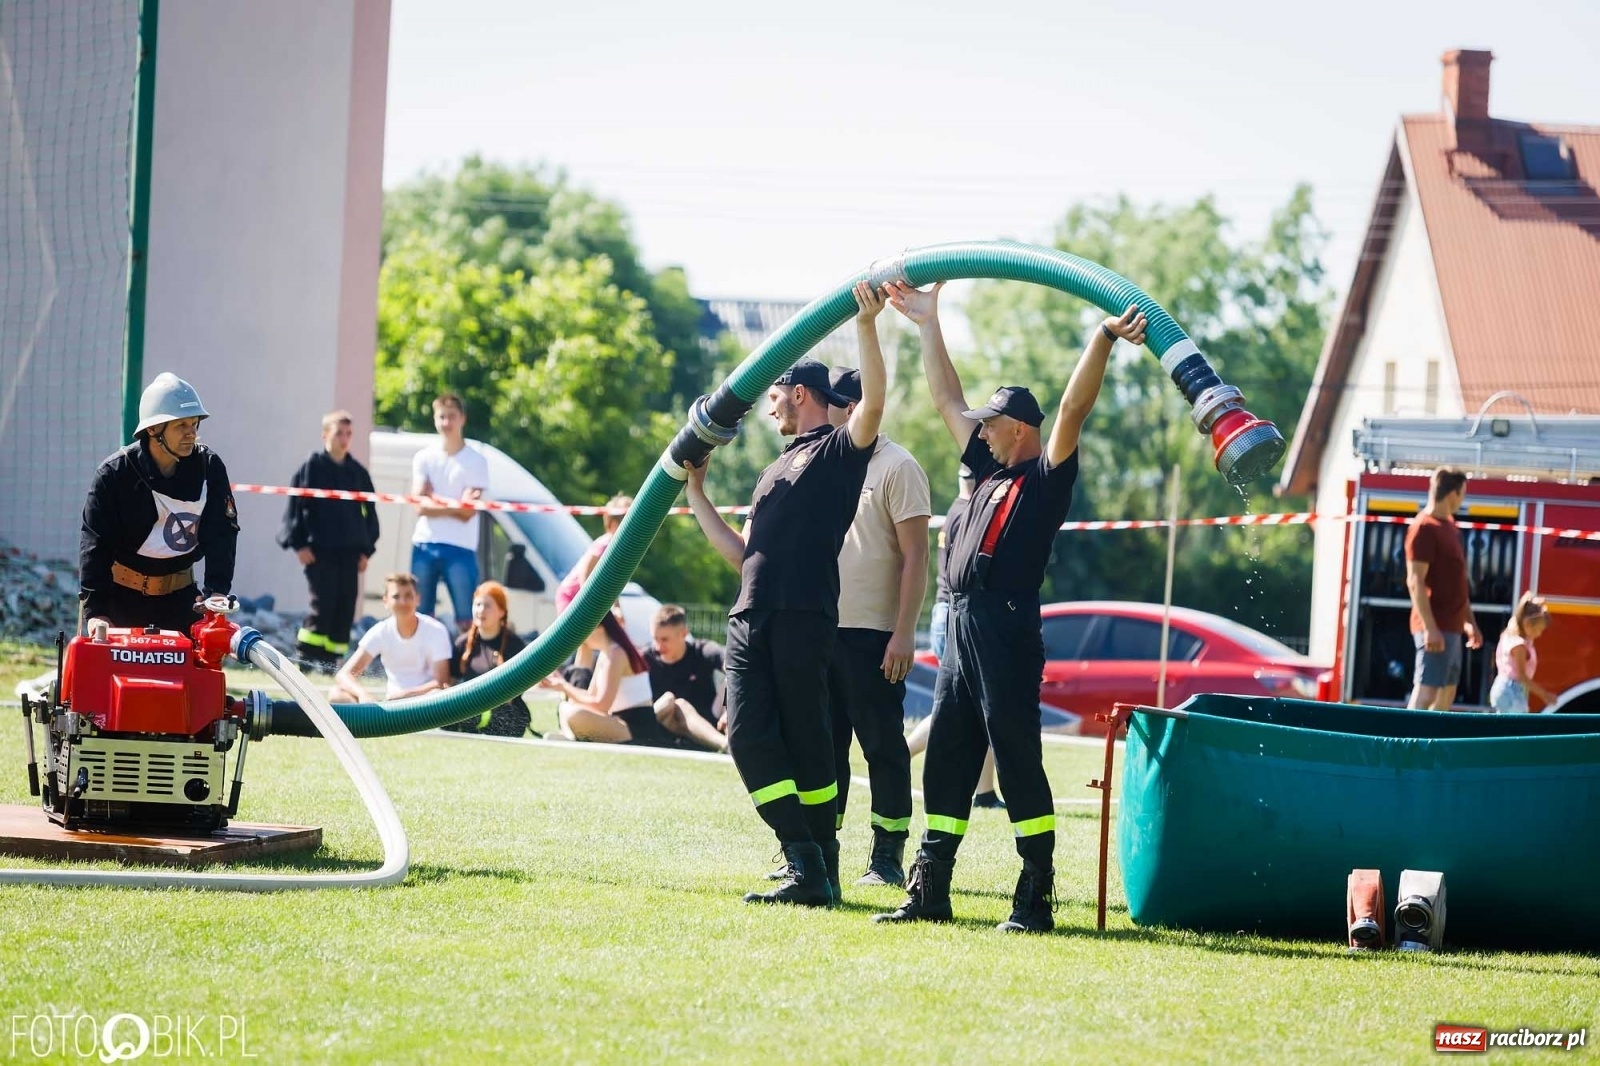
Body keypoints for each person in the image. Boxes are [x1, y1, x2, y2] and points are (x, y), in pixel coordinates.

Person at [874, 281, 1146, 934]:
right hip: (962, 625)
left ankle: (1035, 894)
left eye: (990, 426)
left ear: (1018, 428)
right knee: (947, 756)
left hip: (1006, 626)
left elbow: (1074, 408)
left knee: (1016, 755)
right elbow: (945, 396)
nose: (979, 434)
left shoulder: (1043, 478)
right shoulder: (987, 471)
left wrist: (1102, 338)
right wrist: (928, 323)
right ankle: (930, 889)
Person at [681, 281, 886, 908]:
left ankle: (817, 866)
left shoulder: (837, 450)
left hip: (804, 616)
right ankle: (806, 857)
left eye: (774, 397)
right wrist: (696, 495)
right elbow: (746, 558)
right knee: (745, 735)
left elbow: (874, 402)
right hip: (750, 616)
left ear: (800, 394)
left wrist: (869, 325)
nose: (769, 410)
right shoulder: (773, 471)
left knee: (808, 742)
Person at [823, 363, 930, 888]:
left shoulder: (899, 466)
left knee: (883, 747)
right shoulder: (824, 460)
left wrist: (904, 631)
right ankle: (822, 851)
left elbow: (916, 557)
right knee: (824, 749)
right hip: (821, 630)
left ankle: (886, 856)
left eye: (831, 405)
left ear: (852, 408)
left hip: (874, 636)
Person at [79, 373, 240, 635]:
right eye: (181, 426)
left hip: (183, 602)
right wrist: (96, 612)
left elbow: (222, 534)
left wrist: (216, 593)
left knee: (196, 675)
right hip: (119, 604)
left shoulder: (210, 467)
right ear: (153, 429)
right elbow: (94, 546)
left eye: (194, 424)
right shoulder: (113, 475)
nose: (192, 434)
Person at [908, 465, 1003, 809]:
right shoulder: (969, 514)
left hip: (945, 612)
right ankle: (903, 756)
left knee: (973, 703)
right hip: (954, 613)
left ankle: (984, 791)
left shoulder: (956, 510)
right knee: (968, 702)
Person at [278, 410, 380, 670]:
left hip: (350, 553)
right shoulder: (312, 467)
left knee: (345, 608)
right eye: (339, 433)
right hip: (319, 552)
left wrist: (367, 550)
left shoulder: (357, 473)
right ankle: (306, 661)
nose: (344, 439)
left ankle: (330, 663)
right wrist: (299, 544)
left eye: (348, 434)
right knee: (323, 606)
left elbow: (370, 512)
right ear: (326, 434)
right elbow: (295, 507)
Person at [539, 610, 726, 751]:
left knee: (574, 714)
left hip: (635, 728)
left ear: (599, 627)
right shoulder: (607, 653)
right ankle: (572, 736)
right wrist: (561, 687)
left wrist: (564, 686)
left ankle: (574, 737)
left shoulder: (617, 653)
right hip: (621, 721)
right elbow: (591, 696)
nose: (581, 637)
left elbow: (602, 705)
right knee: (566, 708)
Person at [1404, 467, 1483, 711]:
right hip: (1435, 628)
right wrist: (1430, 629)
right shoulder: (1424, 528)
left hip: (1453, 627)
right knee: (1426, 693)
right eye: (1462, 494)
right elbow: (1415, 581)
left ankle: (1431, 748)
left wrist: (1470, 622)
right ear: (1452, 494)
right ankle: (1402, 746)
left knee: (1446, 693)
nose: (1462, 500)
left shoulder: (1450, 527)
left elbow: (1458, 582)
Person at [410, 394, 489, 632]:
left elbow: (469, 513)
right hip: (425, 543)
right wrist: (455, 504)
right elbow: (419, 505)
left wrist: (434, 500)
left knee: (467, 617)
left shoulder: (476, 460)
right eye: (441, 417)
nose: (446, 423)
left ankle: (469, 666)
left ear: (462, 419)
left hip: (460, 547)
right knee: (420, 615)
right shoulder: (424, 457)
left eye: (452, 417)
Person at [330, 572, 452, 703]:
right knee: (336, 693)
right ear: (385, 601)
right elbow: (344, 674)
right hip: (392, 705)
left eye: (408, 596)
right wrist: (363, 695)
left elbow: (442, 682)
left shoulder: (436, 630)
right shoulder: (380, 631)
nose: (403, 602)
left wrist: (404, 695)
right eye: (396, 596)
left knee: (438, 694)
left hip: (424, 702)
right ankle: (372, 720)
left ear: (418, 599)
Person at [442, 581, 536, 737]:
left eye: (487, 606)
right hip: (468, 709)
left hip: (503, 713)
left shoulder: (514, 645)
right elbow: (450, 683)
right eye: (477, 605)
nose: (480, 611)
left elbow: (514, 693)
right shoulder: (462, 643)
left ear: (501, 612)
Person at [644, 604, 725, 730]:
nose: (658, 647)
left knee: (731, 679)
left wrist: (728, 711)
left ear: (683, 633)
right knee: (670, 701)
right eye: (655, 639)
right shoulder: (645, 658)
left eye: (664, 639)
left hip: (709, 722)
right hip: (665, 725)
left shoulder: (703, 651)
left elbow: (735, 667)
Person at [555, 495, 633, 613]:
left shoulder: (620, 550)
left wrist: (616, 607)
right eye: (626, 523)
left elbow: (611, 583)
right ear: (612, 525)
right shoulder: (605, 544)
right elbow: (585, 571)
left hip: (584, 599)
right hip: (571, 597)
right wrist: (587, 602)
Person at [1489, 592, 1554, 714]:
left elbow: (1519, 615)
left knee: (1506, 730)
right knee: (1515, 729)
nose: (1539, 634)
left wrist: (1530, 604)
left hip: (1503, 689)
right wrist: (1544, 694)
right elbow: (1522, 676)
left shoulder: (1510, 634)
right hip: (1511, 690)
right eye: (1538, 629)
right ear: (1528, 625)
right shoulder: (1519, 646)